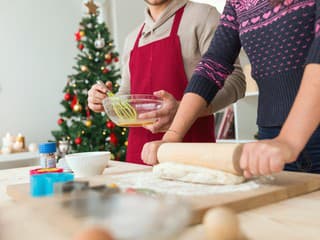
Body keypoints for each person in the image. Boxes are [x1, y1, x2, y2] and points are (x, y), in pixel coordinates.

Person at [142, 0, 320, 177]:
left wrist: (289, 140)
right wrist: (172, 136)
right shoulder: (237, 2)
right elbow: (214, 63)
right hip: (270, 137)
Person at [88, 0, 246, 164]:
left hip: (190, 154)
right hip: (138, 158)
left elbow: (236, 81)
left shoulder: (203, 16)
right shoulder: (131, 39)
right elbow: (126, 94)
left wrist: (182, 109)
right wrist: (106, 99)